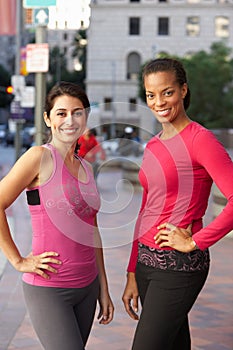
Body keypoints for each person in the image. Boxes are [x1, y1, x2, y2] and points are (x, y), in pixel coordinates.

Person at [122, 58, 233, 350]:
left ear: (183, 90)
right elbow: (146, 208)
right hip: (146, 264)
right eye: (150, 95)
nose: (158, 102)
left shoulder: (201, 140)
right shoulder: (154, 145)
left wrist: (196, 241)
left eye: (167, 92)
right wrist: (132, 270)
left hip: (179, 265)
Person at [0, 81, 114, 350]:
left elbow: (92, 230)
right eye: (61, 113)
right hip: (50, 287)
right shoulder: (38, 157)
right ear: (48, 119)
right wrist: (17, 260)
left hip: (87, 286)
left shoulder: (86, 166)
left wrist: (103, 288)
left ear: (86, 116)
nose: (70, 120)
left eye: (77, 112)